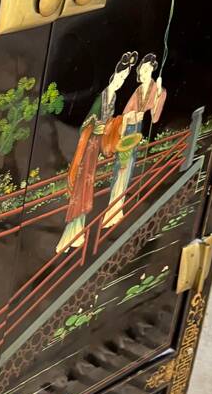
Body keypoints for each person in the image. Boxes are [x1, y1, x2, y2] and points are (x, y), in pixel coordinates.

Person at [55, 51, 136, 254]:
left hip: (95, 150)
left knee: (87, 188)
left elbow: (107, 125)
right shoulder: (103, 97)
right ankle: (70, 234)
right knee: (81, 187)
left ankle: (77, 232)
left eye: (124, 77)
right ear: (113, 77)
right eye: (120, 76)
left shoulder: (114, 96)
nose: (121, 80)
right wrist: (98, 127)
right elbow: (86, 124)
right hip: (87, 148)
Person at [103, 52, 167, 230]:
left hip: (138, 131)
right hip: (127, 130)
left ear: (152, 70)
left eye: (147, 69)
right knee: (120, 168)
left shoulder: (157, 90)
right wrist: (130, 116)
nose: (143, 72)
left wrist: (158, 95)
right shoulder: (138, 91)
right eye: (142, 69)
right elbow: (124, 113)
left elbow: (155, 118)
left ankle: (117, 209)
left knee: (127, 168)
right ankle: (112, 209)